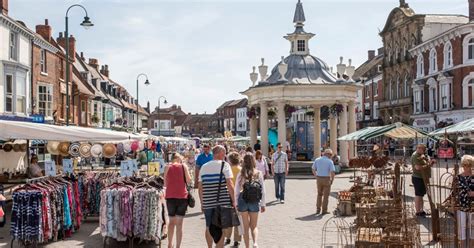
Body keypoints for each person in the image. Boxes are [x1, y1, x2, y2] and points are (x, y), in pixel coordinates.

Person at [198, 145, 236, 248]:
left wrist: (202, 202)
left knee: (208, 226)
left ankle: (209, 246)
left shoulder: (204, 167)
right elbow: (230, 184)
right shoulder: (225, 165)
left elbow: (200, 187)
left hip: (207, 201)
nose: (225, 155)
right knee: (221, 227)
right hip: (222, 202)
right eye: (224, 153)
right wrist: (234, 200)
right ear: (219, 153)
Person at [234, 153, 266, 248]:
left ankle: (247, 246)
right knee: (254, 226)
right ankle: (255, 243)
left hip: (243, 200)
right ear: (253, 161)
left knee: (245, 227)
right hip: (254, 200)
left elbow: (236, 189)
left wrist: (236, 203)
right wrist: (263, 204)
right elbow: (263, 190)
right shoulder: (258, 173)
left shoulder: (241, 173)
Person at [164, 153, 192, 248]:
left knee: (171, 222)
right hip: (182, 197)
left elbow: (165, 183)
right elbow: (189, 180)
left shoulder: (167, 167)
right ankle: (178, 246)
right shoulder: (183, 166)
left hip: (170, 196)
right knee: (179, 224)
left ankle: (169, 244)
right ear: (179, 158)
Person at [411, 144, 435, 217]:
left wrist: (430, 163)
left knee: (421, 195)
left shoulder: (422, 155)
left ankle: (421, 210)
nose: (423, 151)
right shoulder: (415, 155)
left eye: (424, 149)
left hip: (423, 177)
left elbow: (426, 163)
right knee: (418, 195)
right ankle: (418, 211)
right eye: (420, 148)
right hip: (418, 177)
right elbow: (417, 167)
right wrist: (428, 165)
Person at [224, 152, 242, 247]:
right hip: (239, 197)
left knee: (228, 218)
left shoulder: (227, 170)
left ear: (229, 160)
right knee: (238, 219)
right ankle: (237, 240)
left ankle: (227, 237)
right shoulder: (241, 170)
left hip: (228, 196)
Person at [456, 155, 474, 247]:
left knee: (473, 229)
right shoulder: (458, 177)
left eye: (468, 165)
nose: (465, 167)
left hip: (473, 207)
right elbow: (454, 192)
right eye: (464, 165)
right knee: (462, 228)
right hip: (461, 206)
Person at [312, 149, 336, 215]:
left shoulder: (317, 160)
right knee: (326, 195)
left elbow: (313, 169)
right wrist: (332, 180)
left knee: (319, 194)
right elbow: (333, 172)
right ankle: (324, 210)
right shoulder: (330, 161)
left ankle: (318, 209)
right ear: (328, 154)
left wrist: (316, 176)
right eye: (331, 155)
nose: (331, 156)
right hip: (326, 178)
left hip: (319, 178)